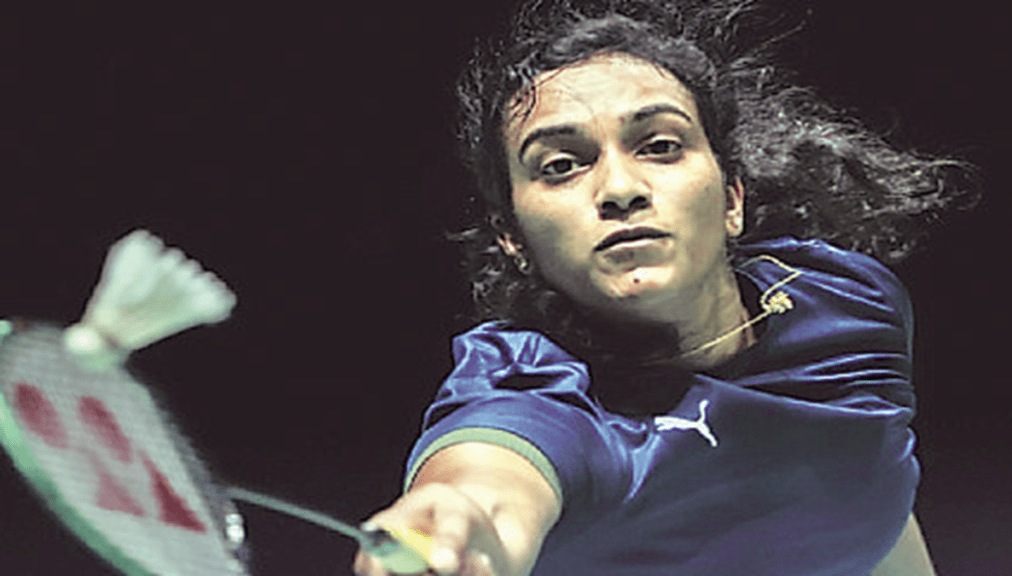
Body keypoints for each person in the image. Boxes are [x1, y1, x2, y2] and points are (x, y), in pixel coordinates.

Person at [353, 0, 976, 574]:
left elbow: (866, 479)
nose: (620, 189)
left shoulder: (851, 300)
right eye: (561, 166)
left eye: (659, 146)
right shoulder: (532, 389)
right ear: (513, 237)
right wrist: (457, 525)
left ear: (732, 198)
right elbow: (489, 485)